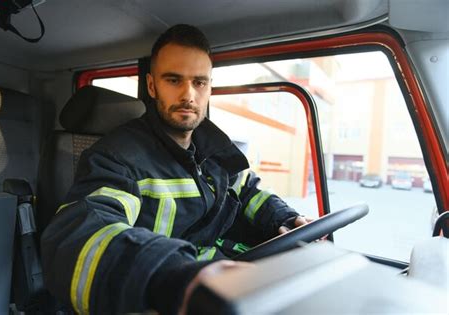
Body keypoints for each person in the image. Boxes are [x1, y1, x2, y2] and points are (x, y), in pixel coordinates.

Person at [41, 24, 311, 315]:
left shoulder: (212, 149)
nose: (188, 95)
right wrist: (169, 278)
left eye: (199, 82)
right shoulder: (118, 156)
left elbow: (246, 189)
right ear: (152, 86)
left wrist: (284, 218)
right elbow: (81, 234)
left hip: (224, 283)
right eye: (173, 80)